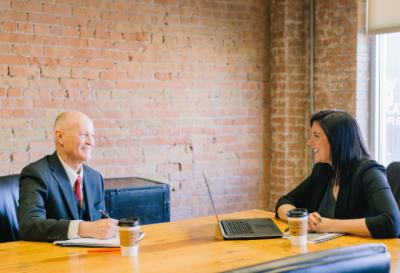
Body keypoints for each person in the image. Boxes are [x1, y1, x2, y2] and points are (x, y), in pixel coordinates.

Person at [275, 109, 400, 238]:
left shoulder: (370, 172)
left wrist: (328, 225)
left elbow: (391, 223)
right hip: (328, 250)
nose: (310, 142)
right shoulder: (323, 170)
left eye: (316, 136)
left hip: (359, 253)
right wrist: (302, 219)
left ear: (336, 140)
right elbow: (284, 202)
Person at [18, 111, 118, 242]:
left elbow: (100, 221)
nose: (91, 142)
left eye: (92, 136)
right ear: (60, 137)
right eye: (84, 135)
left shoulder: (95, 178)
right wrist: (83, 228)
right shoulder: (36, 173)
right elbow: (29, 227)